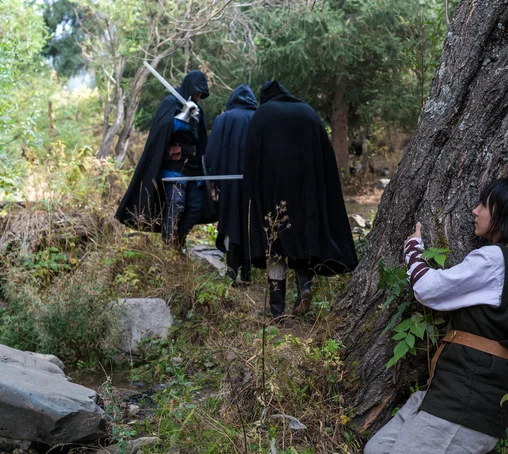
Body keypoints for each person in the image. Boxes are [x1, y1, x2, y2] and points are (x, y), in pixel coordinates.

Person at [364, 178, 508, 454]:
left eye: (483, 205)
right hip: (456, 399)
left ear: (505, 213)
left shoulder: (494, 260)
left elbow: (428, 289)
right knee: (377, 449)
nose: (474, 211)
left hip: (462, 406)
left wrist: (413, 249)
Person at [244, 80, 358, 318]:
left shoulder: (263, 114)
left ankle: (277, 310)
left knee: (275, 246)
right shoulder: (307, 111)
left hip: (273, 193)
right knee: (302, 242)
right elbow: (325, 159)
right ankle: (304, 287)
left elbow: (252, 159)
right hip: (307, 193)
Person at [115, 70, 214, 248]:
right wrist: (183, 116)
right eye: (197, 92)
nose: (199, 96)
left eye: (201, 93)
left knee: (197, 206)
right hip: (173, 164)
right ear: (190, 88)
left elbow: (201, 141)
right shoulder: (170, 102)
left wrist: (195, 117)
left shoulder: (197, 108)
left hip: (193, 165)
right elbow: (162, 128)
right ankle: (169, 245)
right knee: (175, 204)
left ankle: (178, 239)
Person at [205, 84, 257, 284]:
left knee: (232, 221)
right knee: (251, 223)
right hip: (255, 185)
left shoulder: (223, 119)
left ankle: (232, 271)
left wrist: (214, 179)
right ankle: (248, 273)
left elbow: (212, 153)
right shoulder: (259, 117)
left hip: (230, 184)